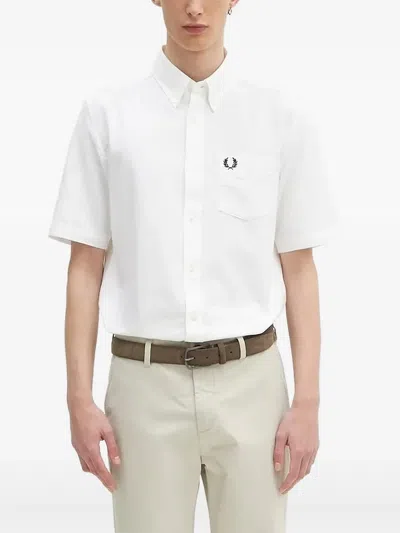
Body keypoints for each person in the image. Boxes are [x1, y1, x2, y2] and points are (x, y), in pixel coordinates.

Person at [48, 1, 338, 532]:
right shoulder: (107, 115)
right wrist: (78, 399)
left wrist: (309, 402)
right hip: (143, 390)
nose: (195, 8)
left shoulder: (278, 116)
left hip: (253, 388)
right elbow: (84, 266)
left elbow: (299, 270)